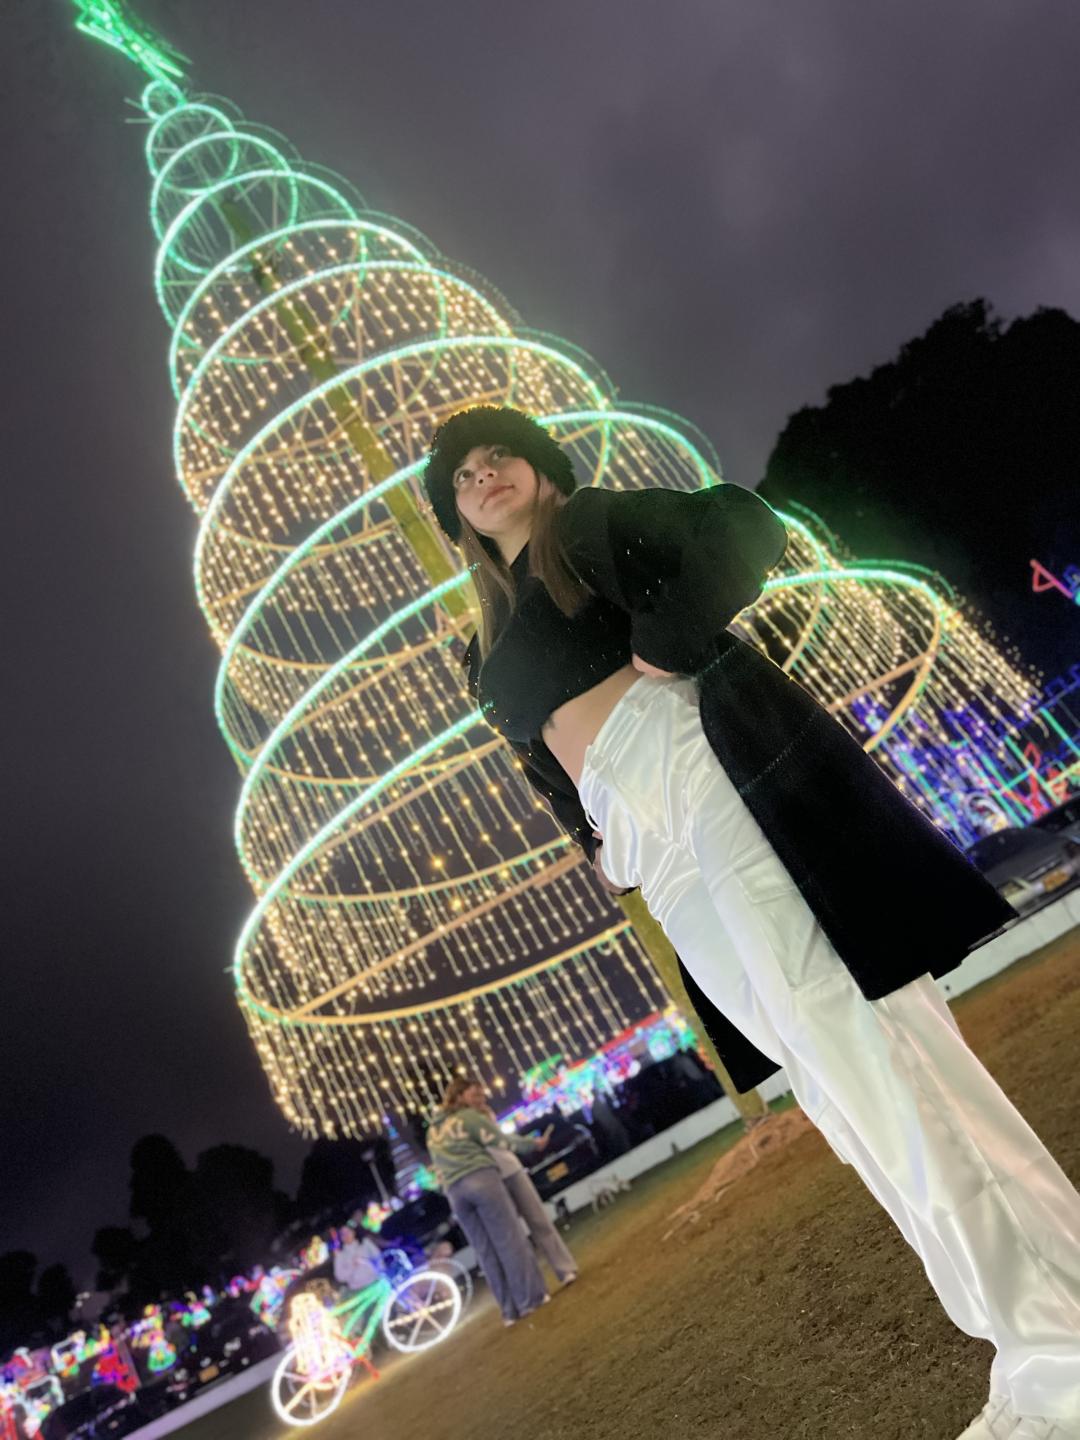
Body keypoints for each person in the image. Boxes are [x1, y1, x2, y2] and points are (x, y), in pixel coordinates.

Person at [422, 405, 1080, 1440]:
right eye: (461, 476)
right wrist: (593, 838)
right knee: (832, 1085)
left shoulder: (584, 526)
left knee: (865, 1044)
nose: (482, 475)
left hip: (699, 767)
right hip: (645, 835)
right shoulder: (482, 641)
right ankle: (1023, 1343)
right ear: (454, 512)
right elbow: (536, 756)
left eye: (499, 454)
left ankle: (1059, 1350)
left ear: (541, 467)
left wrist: (661, 646)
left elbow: (739, 524)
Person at [427, 1075, 552, 1325]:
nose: (479, 1099)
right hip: (481, 1179)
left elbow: (438, 1168)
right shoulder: (468, 1117)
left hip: (455, 1192)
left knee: (485, 1251)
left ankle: (508, 1311)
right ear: (459, 1096)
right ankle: (529, 1299)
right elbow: (502, 1140)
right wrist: (532, 1144)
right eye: (474, 1095)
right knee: (509, 1240)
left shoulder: (433, 1131)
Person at [477, 1096, 578, 1286]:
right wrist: (531, 1143)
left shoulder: (482, 1118)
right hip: (493, 1180)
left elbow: (506, 1140)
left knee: (538, 1221)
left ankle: (564, 1269)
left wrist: (530, 1144)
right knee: (514, 1237)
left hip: (511, 1171)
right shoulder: (469, 1125)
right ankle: (534, 1286)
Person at [332, 1225, 382, 1293]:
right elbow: (339, 1276)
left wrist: (382, 1273)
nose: (346, 1235)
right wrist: (352, 1266)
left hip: (376, 1281)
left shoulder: (365, 1242)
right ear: (341, 1238)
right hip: (359, 1290)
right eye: (343, 1234)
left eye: (348, 1232)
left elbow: (379, 1257)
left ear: (353, 1232)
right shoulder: (340, 1255)